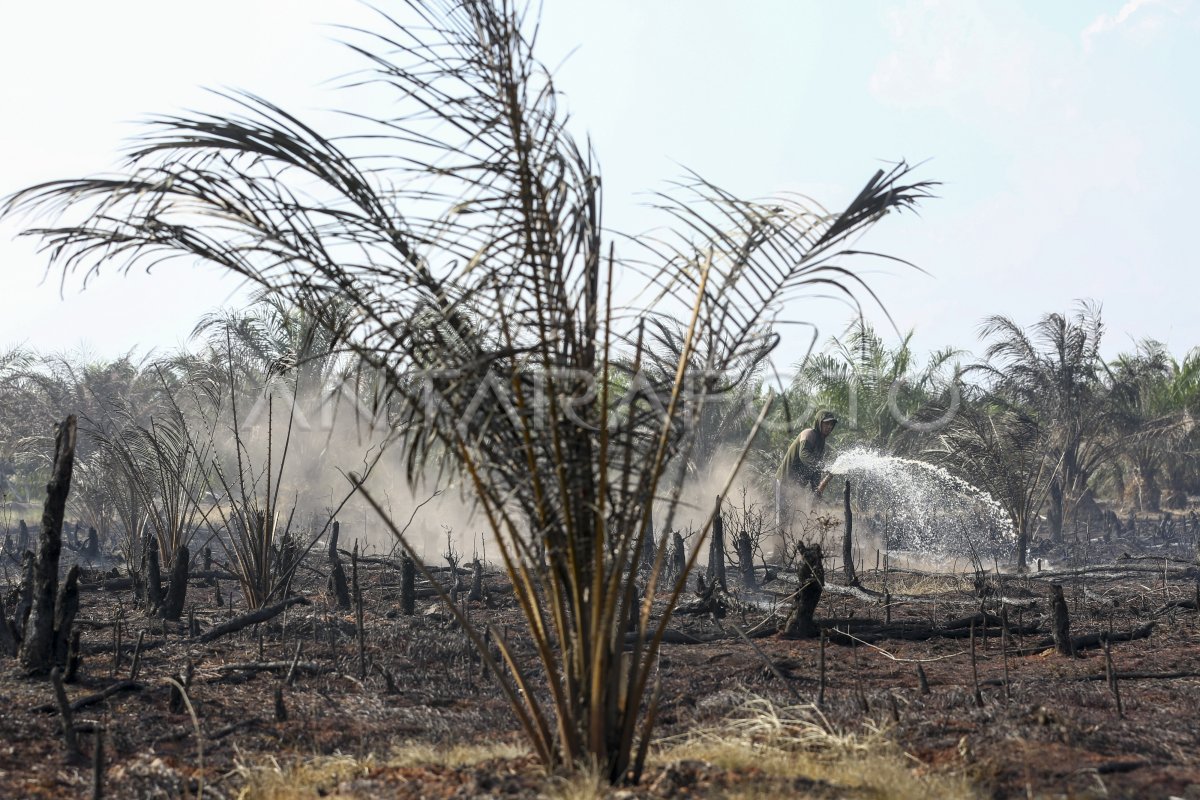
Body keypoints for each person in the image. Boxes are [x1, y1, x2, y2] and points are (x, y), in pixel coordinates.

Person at [776, 410, 838, 528]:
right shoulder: (808, 433)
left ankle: (789, 544)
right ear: (818, 423)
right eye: (826, 423)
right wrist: (821, 466)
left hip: (797, 486)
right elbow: (804, 455)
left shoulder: (821, 442)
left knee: (793, 517)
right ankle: (777, 544)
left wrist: (817, 490)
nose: (829, 427)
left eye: (831, 425)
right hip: (784, 480)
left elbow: (815, 471)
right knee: (781, 517)